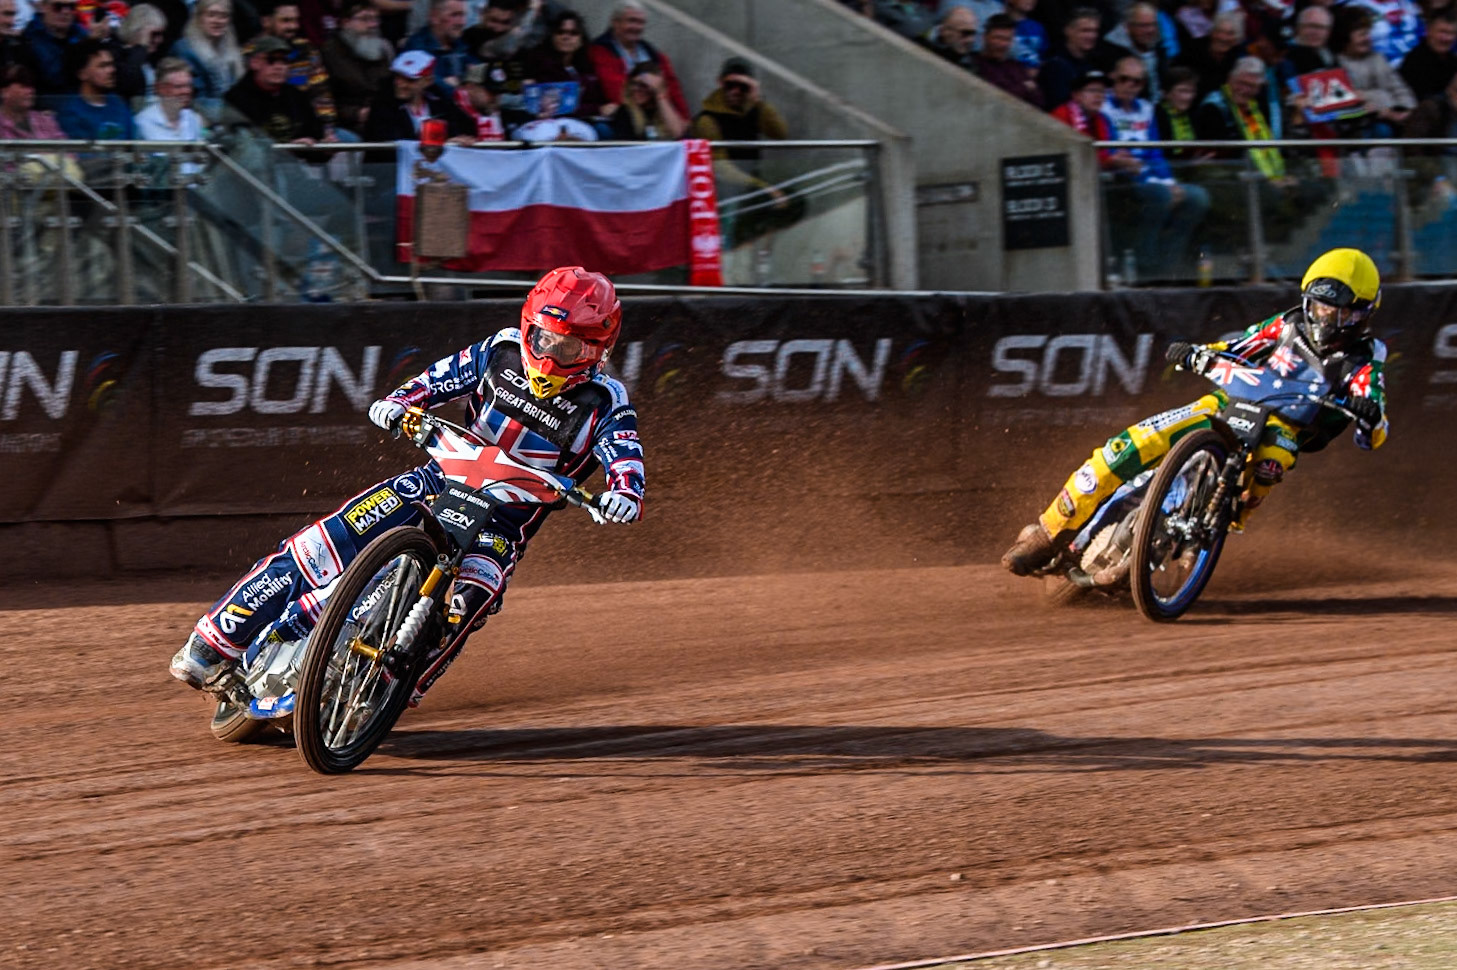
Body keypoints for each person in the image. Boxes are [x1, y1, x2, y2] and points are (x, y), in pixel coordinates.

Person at [169, 267, 647, 711]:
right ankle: (212, 644)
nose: (549, 356)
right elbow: (439, 378)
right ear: (526, 327)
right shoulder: (498, 350)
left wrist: (624, 492)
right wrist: (399, 402)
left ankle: (391, 690)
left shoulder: (606, 402)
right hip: (437, 479)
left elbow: (623, 452)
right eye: (542, 339)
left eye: (567, 348)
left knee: (474, 595)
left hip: (503, 523)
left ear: (597, 350)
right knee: (326, 541)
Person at [1002, 248, 1389, 576]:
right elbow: (1239, 346)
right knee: (1128, 445)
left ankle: (1217, 522)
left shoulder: (1367, 356)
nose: (1327, 319)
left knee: (1272, 462)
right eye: (1322, 307)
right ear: (1307, 300)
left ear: (1364, 313)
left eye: (1342, 313)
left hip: (1287, 427)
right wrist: (1196, 352)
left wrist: (1368, 412)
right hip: (1228, 404)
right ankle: (1047, 532)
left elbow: (1374, 426)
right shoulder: (1286, 324)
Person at [1102, 54, 1210, 278]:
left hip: (1151, 177)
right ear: (1113, 78)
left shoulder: (1146, 109)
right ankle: (1145, 266)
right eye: (1124, 79)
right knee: (1161, 196)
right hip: (1121, 181)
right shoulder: (1104, 109)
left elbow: (1155, 152)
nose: (1130, 86)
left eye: (1137, 82)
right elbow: (1111, 153)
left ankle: (1169, 266)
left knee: (1197, 197)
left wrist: (1170, 183)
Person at [588, 1, 688, 120]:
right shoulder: (600, 50)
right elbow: (615, 91)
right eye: (631, 21)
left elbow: (673, 87)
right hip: (622, 118)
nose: (636, 27)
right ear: (615, 22)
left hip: (658, 117)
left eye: (640, 22)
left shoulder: (653, 53)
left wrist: (685, 119)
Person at [258, 0, 339, 138]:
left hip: (309, 126)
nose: (293, 26)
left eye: (296, 20)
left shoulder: (306, 49)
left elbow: (321, 94)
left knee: (348, 141)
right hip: (269, 131)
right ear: (266, 21)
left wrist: (327, 130)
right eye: (286, 21)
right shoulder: (252, 53)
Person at [223, 34, 323, 142]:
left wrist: (324, 147)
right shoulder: (235, 98)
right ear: (254, 63)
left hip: (299, 158)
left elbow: (315, 136)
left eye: (284, 61)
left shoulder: (297, 96)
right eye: (271, 60)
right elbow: (241, 144)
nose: (279, 67)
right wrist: (289, 147)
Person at [361, 48, 473, 141]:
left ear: (428, 81)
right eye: (398, 77)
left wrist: (460, 141)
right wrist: (443, 144)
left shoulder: (441, 103)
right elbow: (390, 144)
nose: (400, 84)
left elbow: (464, 129)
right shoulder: (383, 105)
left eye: (409, 80)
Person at [321, 0, 392, 134]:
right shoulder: (329, 53)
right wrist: (356, 114)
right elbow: (323, 99)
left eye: (376, 19)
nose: (373, 25)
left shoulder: (382, 50)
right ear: (345, 22)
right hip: (345, 125)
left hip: (380, 120)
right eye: (365, 19)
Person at [170, 0, 244, 119]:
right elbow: (194, 100)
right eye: (211, 15)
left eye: (223, 16)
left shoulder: (231, 51)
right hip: (196, 118)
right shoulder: (185, 50)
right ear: (199, 17)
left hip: (228, 117)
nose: (217, 21)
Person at [56, 36, 135, 137]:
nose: (112, 70)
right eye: (102, 66)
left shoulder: (117, 102)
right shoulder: (70, 112)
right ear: (82, 74)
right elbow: (80, 151)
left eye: (111, 64)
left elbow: (132, 141)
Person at [23, 0, 92, 96]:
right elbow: (54, 78)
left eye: (71, 7)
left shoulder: (82, 35)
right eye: (58, 6)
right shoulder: (28, 39)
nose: (66, 12)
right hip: (47, 102)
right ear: (43, 7)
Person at [974, 13, 1044, 107]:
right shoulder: (976, 62)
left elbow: (1039, 100)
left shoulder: (1015, 66)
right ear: (985, 37)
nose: (1003, 44)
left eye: (1007, 39)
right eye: (998, 38)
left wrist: (1018, 89)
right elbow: (997, 95)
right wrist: (1025, 87)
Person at [606, 58, 683, 139]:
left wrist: (660, 95)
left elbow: (678, 133)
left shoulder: (664, 110)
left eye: (643, 85)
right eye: (633, 83)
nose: (635, 89)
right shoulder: (625, 111)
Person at [401, 0, 467, 91]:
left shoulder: (462, 45)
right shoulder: (417, 47)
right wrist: (458, 91)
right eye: (455, 15)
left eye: (463, 15)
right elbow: (429, 81)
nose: (462, 23)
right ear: (434, 17)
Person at [134, 56, 207, 139]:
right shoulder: (143, 123)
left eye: (189, 86)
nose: (186, 91)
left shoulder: (193, 119)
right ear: (160, 88)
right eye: (178, 86)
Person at [1398, 10, 1457, 102]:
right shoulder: (1415, 61)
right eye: (1442, 32)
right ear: (1428, 31)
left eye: (1451, 33)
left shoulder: (1452, 60)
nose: (1446, 38)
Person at [916, 4, 977, 70]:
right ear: (944, 31)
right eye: (965, 33)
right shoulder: (918, 46)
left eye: (973, 33)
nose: (971, 40)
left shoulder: (970, 66)